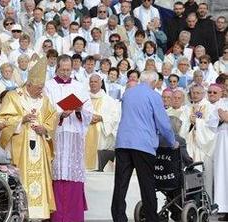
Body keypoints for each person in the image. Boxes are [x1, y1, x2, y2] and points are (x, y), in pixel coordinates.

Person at [111, 70, 177, 222]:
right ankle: (151, 218)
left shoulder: (127, 93)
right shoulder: (154, 96)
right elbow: (163, 123)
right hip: (143, 144)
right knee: (147, 184)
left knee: (120, 184)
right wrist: (172, 141)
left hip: (123, 142)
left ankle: (118, 217)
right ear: (154, 82)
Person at [0, 58, 57, 220]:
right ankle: (20, 212)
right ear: (29, 85)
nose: (41, 91)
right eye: (38, 88)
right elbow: (3, 121)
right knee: (22, 179)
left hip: (39, 145)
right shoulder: (13, 96)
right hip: (20, 147)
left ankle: (38, 214)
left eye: (42, 88)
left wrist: (45, 129)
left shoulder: (44, 100)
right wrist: (21, 120)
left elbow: (52, 119)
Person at [44, 55, 94, 221]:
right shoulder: (48, 86)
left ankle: (73, 217)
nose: (65, 73)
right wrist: (60, 114)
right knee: (57, 174)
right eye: (62, 70)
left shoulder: (79, 86)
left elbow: (89, 111)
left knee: (73, 175)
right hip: (57, 135)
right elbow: (46, 110)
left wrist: (79, 109)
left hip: (74, 136)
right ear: (56, 68)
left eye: (68, 70)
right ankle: (57, 217)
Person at [179, 84, 216, 198]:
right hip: (190, 145)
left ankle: (205, 202)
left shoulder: (210, 107)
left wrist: (198, 123)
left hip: (202, 148)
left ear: (203, 94)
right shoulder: (186, 108)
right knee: (189, 173)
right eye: (192, 93)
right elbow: (181, 127)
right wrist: (189, 122)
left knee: (204, 174)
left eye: (197, 93)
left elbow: (212, 128)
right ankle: (191, 201)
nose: (194, 95)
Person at [85, 74, 120, 171]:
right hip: (85, 132)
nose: (93, 83)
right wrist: (87, 117)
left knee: (97, 163)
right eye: (91, 81)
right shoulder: (84, 99)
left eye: (95, 81)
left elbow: (115, 117)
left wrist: (101, 118)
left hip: (101, 135)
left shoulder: (109, 101)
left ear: (101, 83)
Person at [210, 95, 228, 221]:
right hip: (222, 143)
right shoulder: (220, 103)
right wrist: (221, 119)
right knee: (223, 175)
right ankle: (225, 209)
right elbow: (210, 122)